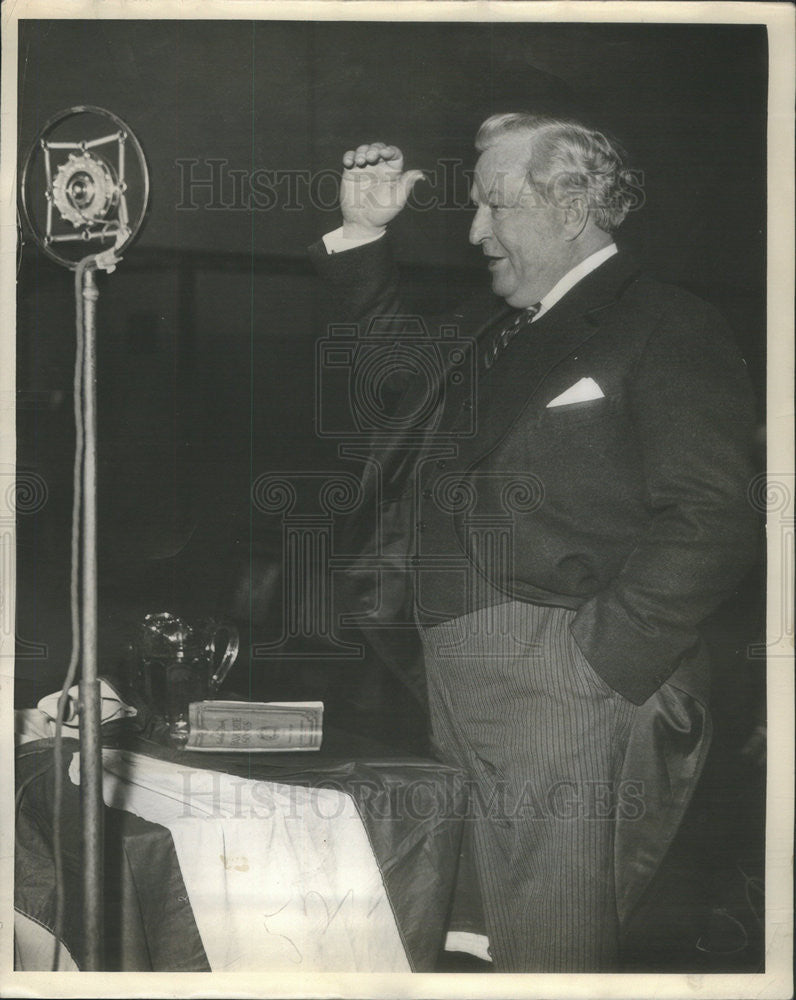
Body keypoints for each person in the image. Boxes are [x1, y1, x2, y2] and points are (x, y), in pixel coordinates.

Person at [309, 113, 759, 971]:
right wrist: (364, 236)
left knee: (550, 948)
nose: (477, 231)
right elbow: (392, 381)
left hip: (561, 678)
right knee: (478, 940)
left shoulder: (664, 322)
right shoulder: (502, 327)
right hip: (449, 677)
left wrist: (593, 660)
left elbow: (715, 514)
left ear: (572, 206)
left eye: (496, 206)